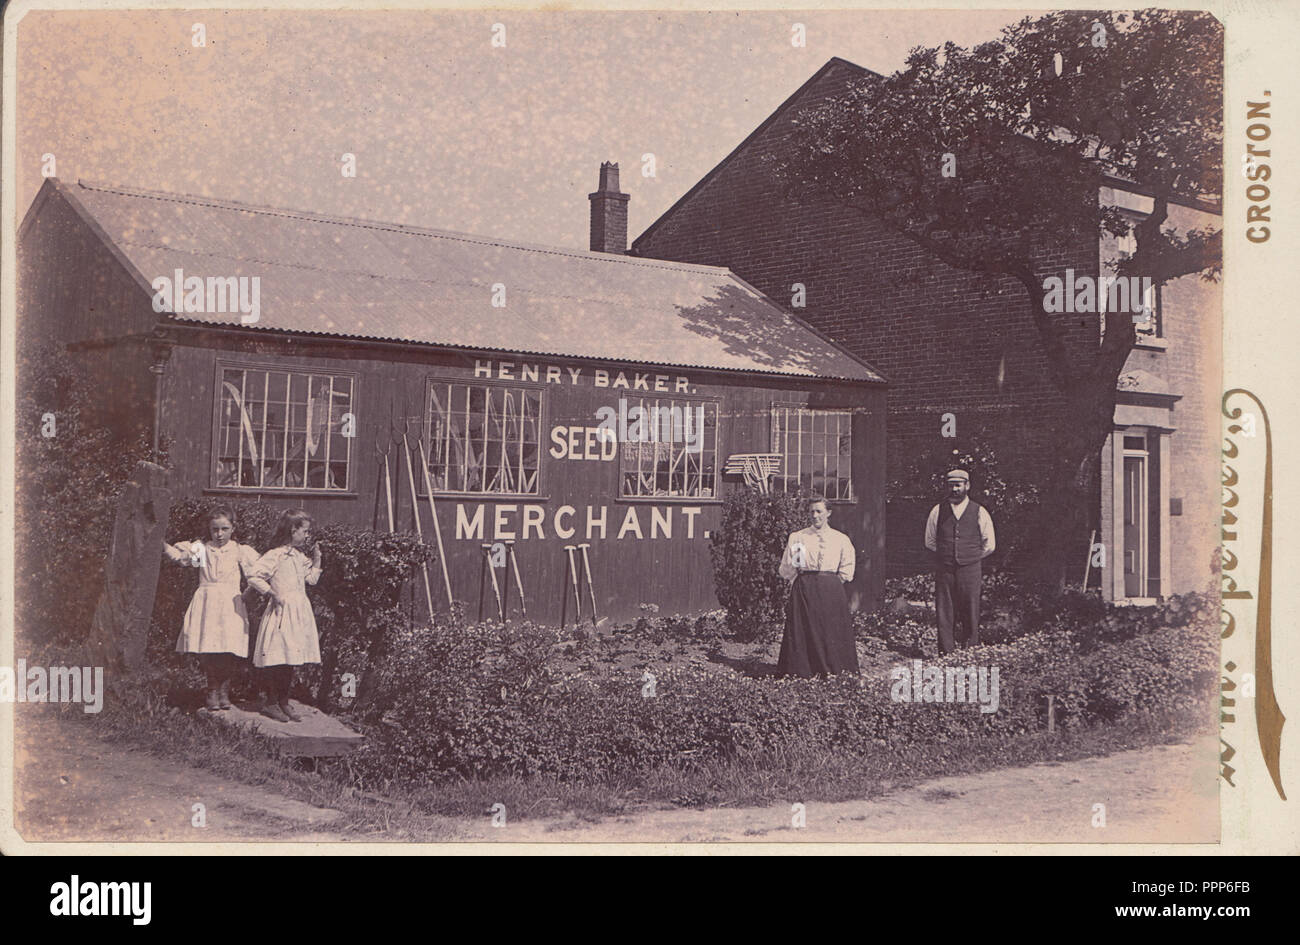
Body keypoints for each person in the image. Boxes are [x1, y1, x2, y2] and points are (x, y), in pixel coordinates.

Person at [162, 507, 260, 711]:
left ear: (233, 528)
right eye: (215, 529)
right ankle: (212, 689)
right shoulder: (202, 549)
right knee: (209, 647)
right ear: (209, 529)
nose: (219, 534)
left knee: (228, 647)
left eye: (225, 528)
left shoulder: (239, 550)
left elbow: (258, 574)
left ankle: (225, 690)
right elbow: (180, 559)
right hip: (207, 600)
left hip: (231, 602)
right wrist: (160, 543)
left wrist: (247, 593)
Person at [246, 509, 322, 723]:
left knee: (291, 657)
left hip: (298, 612)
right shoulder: (275, 555)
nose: (307, 535)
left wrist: (317, 560)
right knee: (277, 656)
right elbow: (253, 576)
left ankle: (283, 701)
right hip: (281, 610)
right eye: (305, 531)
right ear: (292, 530)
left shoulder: (299, 556)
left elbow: (311, 580)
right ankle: (271, 702)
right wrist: (271, 593)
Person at [776, 495, 859, 677]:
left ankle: (834, 671)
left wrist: (829, 584)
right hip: (804, 589)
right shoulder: (799, 538)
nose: (815, 515)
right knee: (802, 630)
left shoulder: (840, 539)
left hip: (831, 589)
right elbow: (791, 567)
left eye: (819, 511)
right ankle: (803, 671)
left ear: (828, 513)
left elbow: (846, 569)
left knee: (830, 629)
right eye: (812, 511)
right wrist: (801, 583)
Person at [924, 469, 996, 653]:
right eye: (951, 485)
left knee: (970, 609)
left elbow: (989, 544)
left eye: (958, 485)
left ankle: (970, 651)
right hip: (945, 568)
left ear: (967, 486)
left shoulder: (979, 511)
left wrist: (970, 557)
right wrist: (947, 555)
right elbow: (930, 541)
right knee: (944, 611)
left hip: (970, 569)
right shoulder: (937, 510)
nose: (955, 489)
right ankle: (946, 653)